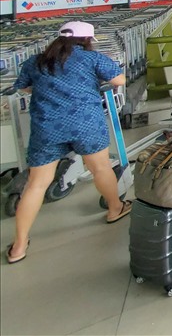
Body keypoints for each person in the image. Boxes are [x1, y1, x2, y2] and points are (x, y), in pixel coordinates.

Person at [7, 21, 128, 264]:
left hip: (47, 127)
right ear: (87, 40)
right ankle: (115, 209)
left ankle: (19, 245)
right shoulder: (92, 59)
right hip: (86, 123)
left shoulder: (36, 62)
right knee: (100, 168)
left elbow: (23, 88)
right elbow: (120, 81)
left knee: (36, 184)